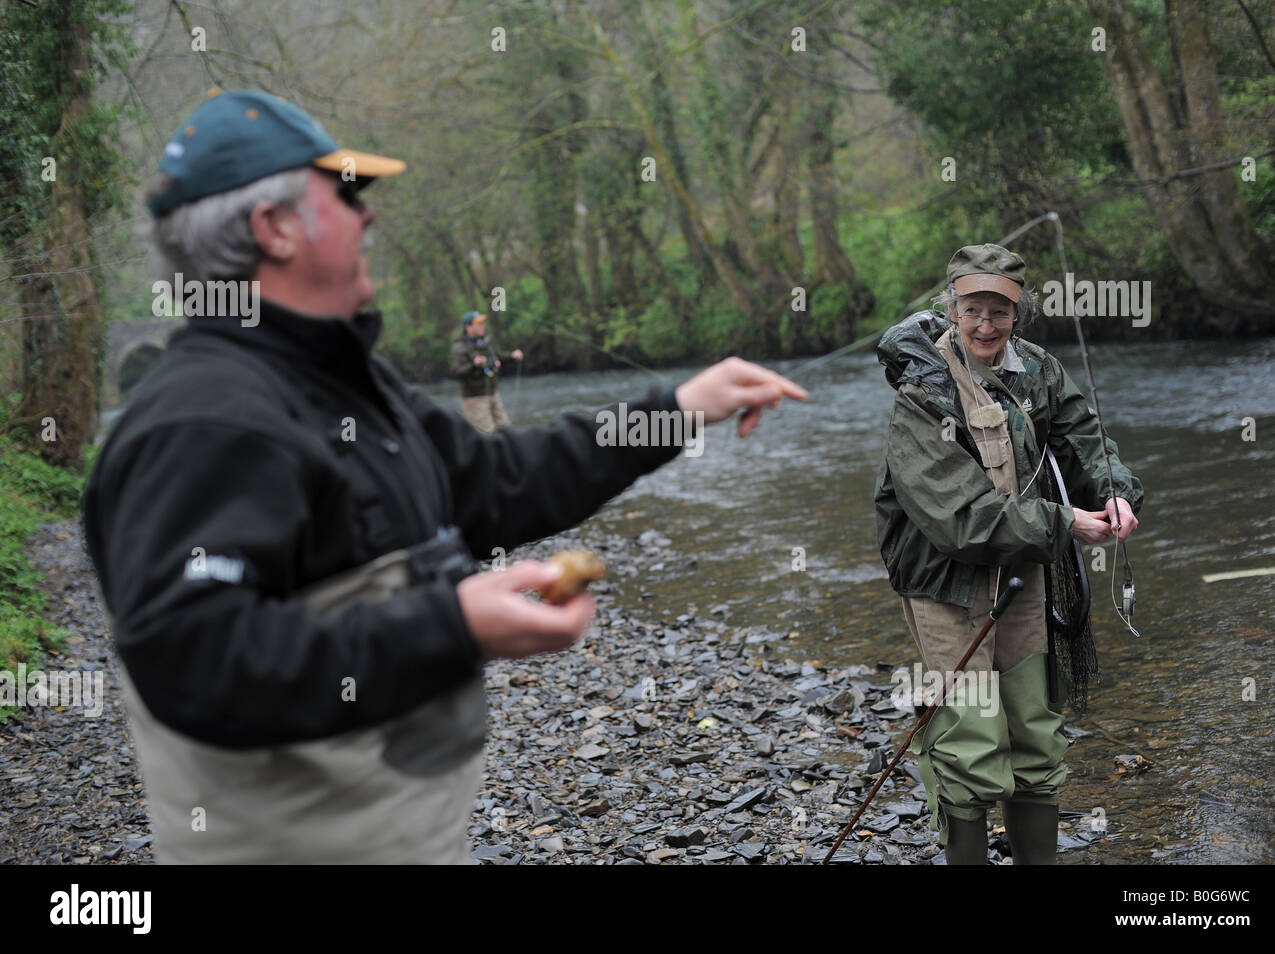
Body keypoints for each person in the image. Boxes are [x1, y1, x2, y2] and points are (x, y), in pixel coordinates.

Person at [82, 88, 806, 864]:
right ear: (275, 228)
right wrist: (453, 625)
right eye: (349, 191)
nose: (370, 215)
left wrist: (681, 408)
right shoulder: (205, 420)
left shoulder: (345, 380)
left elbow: (498, 481)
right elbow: (193, 656)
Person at [873, 243, 1143, 865]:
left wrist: (1111, 492)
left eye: (1000, 311)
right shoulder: (921, 393)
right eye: (973, 310)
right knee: (972, 741)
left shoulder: (1038, 370)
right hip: (946, 581)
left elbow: (1083, 436)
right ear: (951, 307)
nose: (986, 326)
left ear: (1019, 311)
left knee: (1035, 733)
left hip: (1023, 572)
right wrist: (1063, 522)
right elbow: (960, 519)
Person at [450, 310, 521, 432]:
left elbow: (498, 357)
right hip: (474, 399)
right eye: (479, 323)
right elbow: (456, 372)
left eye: (483, 323)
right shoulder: (459, 348)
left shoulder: (486, 343)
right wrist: (474, 365)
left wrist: (512, 356)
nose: (483, 326)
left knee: (507, 431)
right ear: (468, 327)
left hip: (493, 393)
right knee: (487, 435)